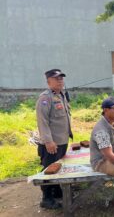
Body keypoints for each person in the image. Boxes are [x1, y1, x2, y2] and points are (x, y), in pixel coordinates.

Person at [36, 69, 73, 209]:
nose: (60, 80)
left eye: (61, 78)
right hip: (51, 143)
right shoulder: (45, 98)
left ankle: (57, 191)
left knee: (59, 167)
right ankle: (46, 198)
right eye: (56, 78)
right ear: (48, 81)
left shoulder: (61, 95)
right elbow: (42, 121)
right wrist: (48, 141)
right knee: (49, 169)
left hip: (62, 141)